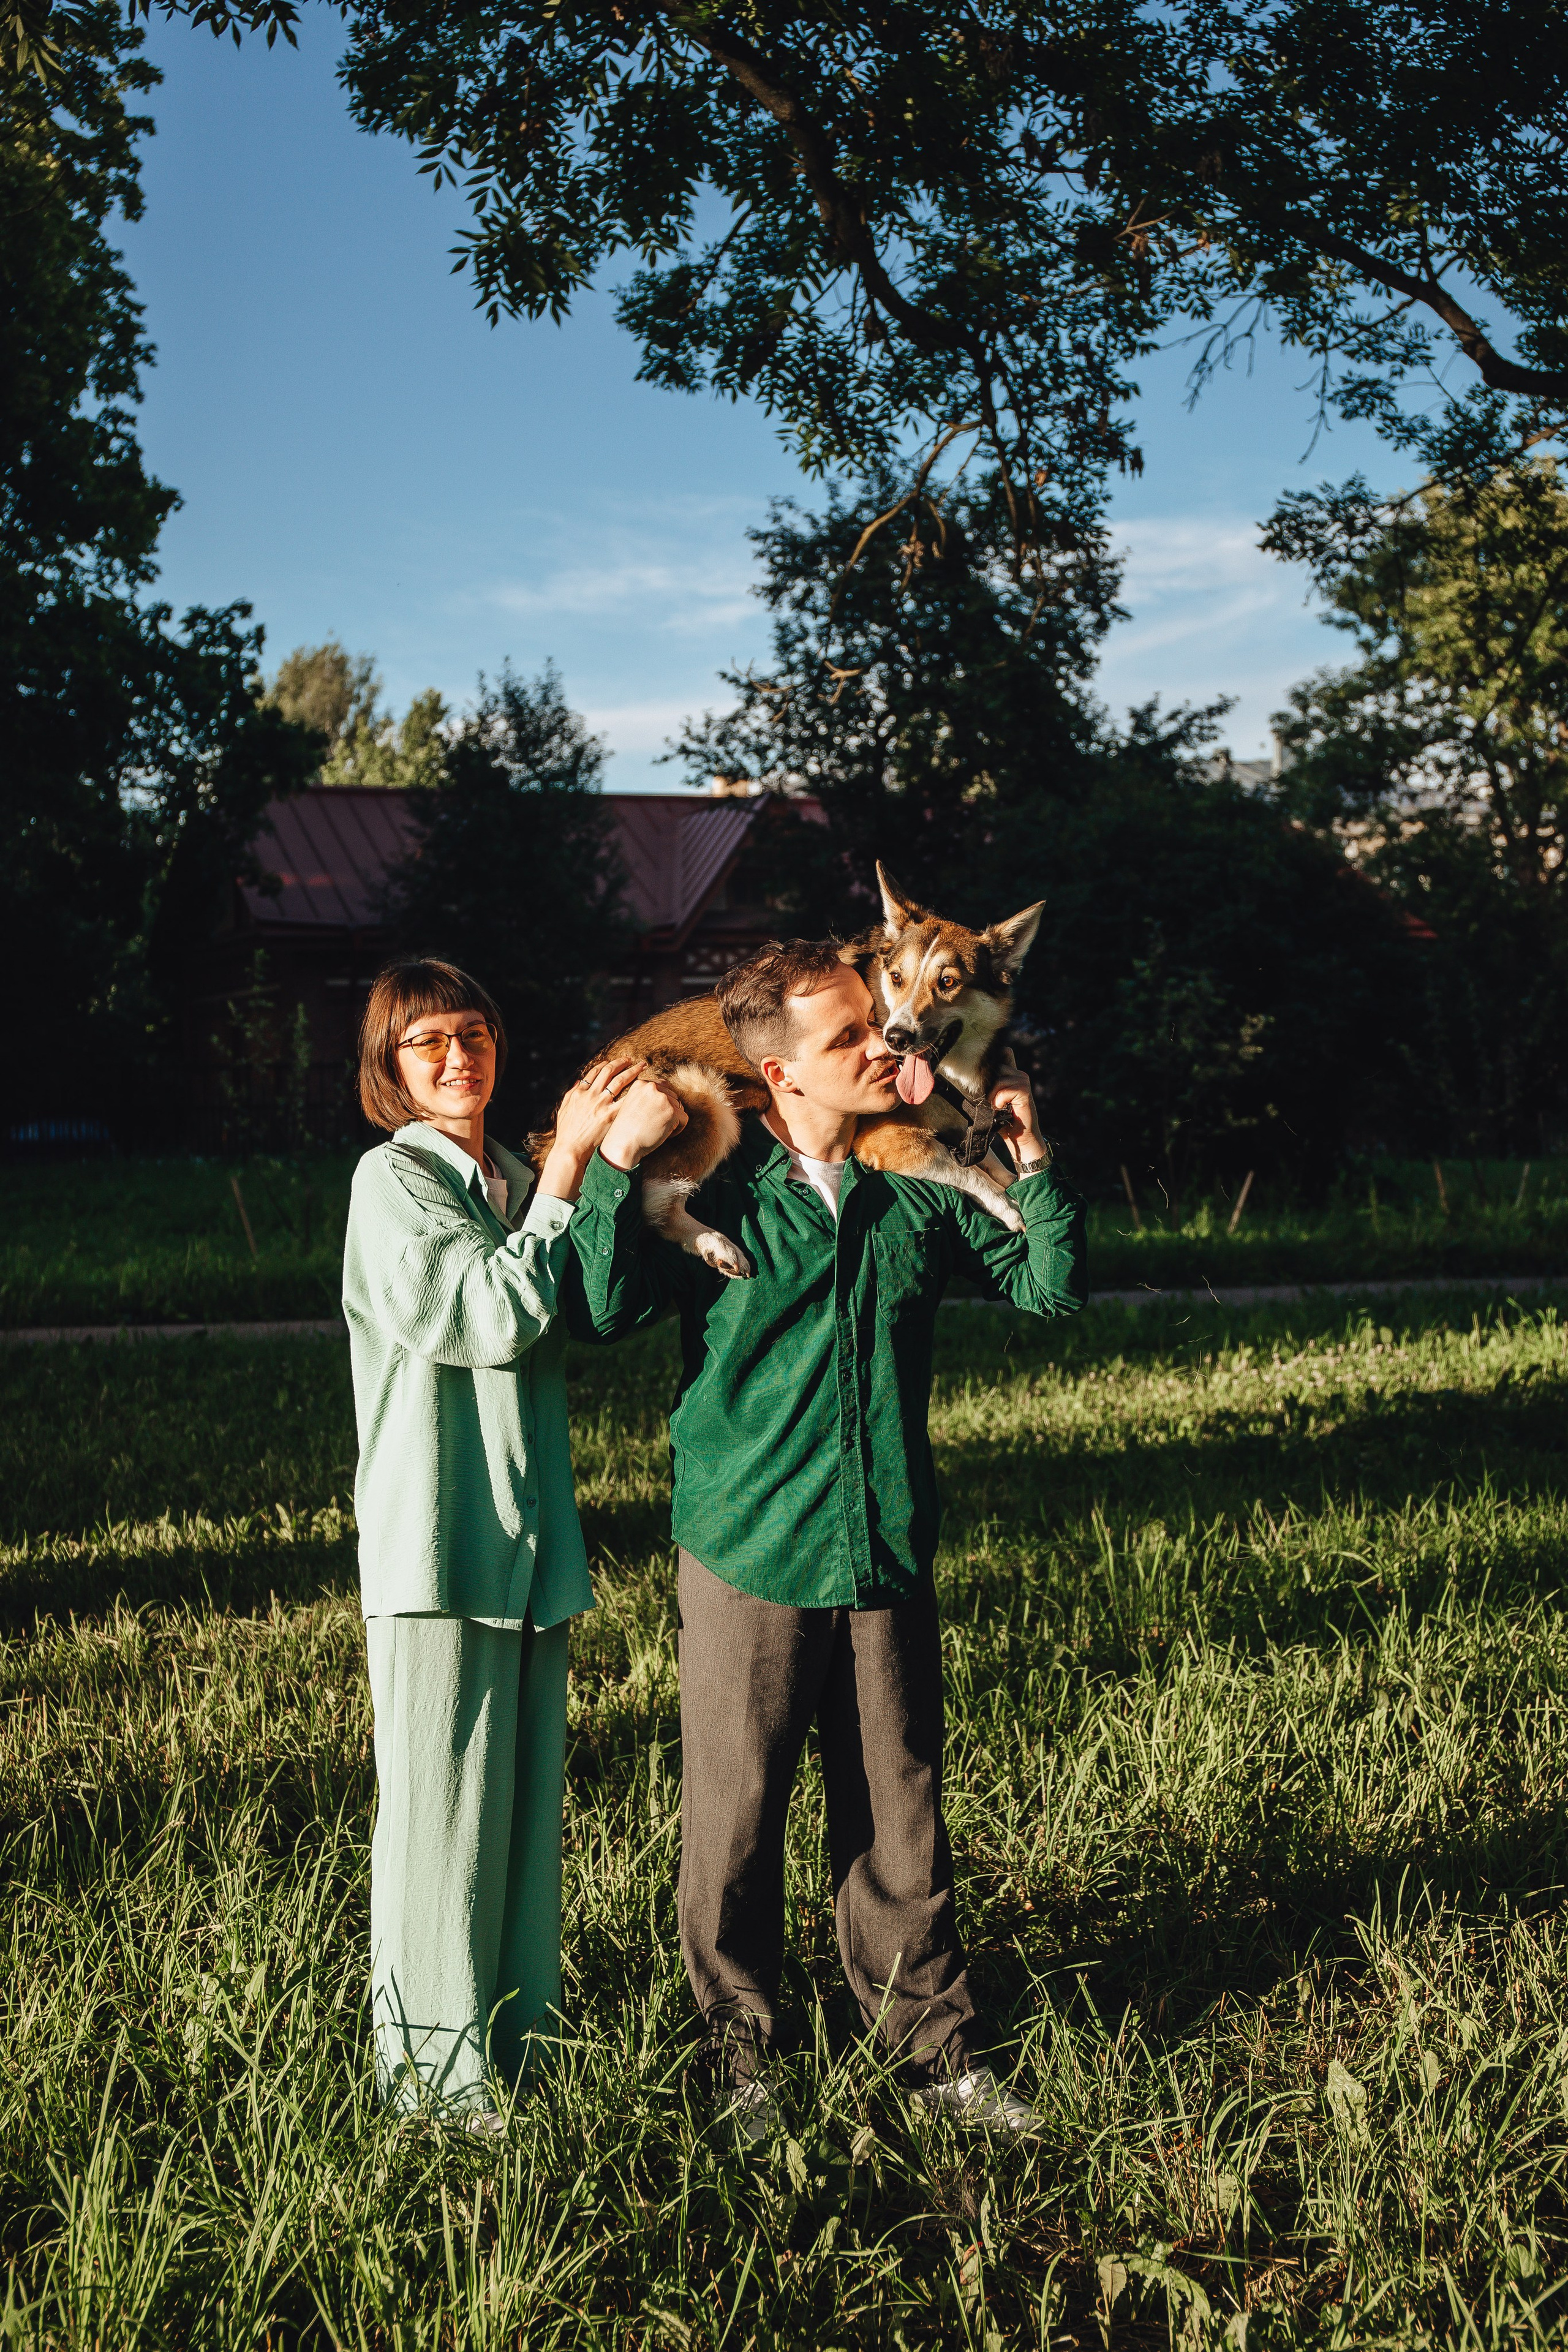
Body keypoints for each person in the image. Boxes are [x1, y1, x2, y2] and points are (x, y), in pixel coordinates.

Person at [564, 938, 1086, 2139]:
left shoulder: (914, 1188)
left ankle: (933, 2058)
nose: (886, 1045)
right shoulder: (722, 1193)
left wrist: (1028, 1153)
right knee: (736, 1820)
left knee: (899, 1819)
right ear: (781, 1072)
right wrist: (610, 1166)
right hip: (747, 1546)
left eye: (877, 1023)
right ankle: (740, 2062)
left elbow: (1047, 1283)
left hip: (884, 1542)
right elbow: (597, 1309)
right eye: (850, 1035)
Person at [343, 956, 642, 2126]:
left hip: (526, 1547)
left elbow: (587, 1297)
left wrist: (595, 1164)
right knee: (440, 1824)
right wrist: (566, 1165)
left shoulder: (507, 1175)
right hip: (437, 1547)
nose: (458, 1057)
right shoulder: (395, 1183)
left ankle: (520, 2059)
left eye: (472, 1034)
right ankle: (435, 2090)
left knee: (517, 1822)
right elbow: (490, 1319)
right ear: (390, 1071)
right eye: (428, 1044)